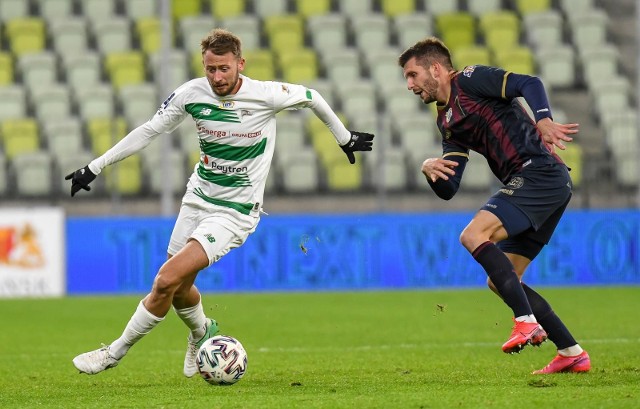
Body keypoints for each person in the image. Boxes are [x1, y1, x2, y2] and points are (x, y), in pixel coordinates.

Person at [67, 28, 374, 376]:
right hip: (198, 197)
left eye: (224, 68)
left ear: (240, 64)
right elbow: (149, 130)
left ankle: (113, 353)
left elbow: (313, 96)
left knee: (166, 280)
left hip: (235, 211)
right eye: (210, 69)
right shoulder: (191, 93)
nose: (216, 77)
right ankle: (203, 332)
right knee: (181, 288)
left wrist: (344, 138)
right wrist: (95, 166)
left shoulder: (266, 95)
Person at [397, 37, 590, 375]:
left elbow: (528, 83)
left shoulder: (469, 80)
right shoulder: (446, 121)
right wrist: (430, 169)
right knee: (501, 279)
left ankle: (526, 321)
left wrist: (543, 118)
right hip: (539, 182)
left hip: (540, 173)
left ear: (436, 69)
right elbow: (449, 188)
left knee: (473, 235)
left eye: (413, 75)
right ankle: (571, 352)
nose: (409, 84)